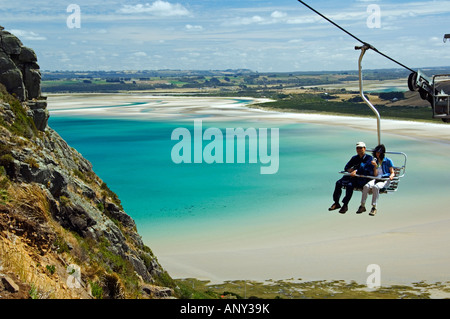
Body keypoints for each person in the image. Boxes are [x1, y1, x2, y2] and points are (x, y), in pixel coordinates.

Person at [329, 142, 373, 214]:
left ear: (364, 149)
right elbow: (346, 166)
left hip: (361, 178)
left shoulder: (368, 158)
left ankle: (345, 205)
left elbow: (364, 168)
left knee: (350, 185)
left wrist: (356, 171)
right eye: (357, 148)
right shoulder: (354, 158)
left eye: (360, 148)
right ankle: (336, 202)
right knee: (338, 183)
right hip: (352, 176)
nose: (359, 150)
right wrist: (349, 169)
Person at [356, 144, 395, 216]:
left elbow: (392, 172)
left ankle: (374, 207)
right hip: (377, 178)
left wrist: (391, 176)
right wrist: (375, 166)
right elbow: (375, 174)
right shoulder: (375, 161)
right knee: (366, 186)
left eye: (379, 153)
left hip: (384, 179)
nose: (377, 154)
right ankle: (362, 205)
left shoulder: (388, 161)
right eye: (376, 152)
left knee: (375, 187)